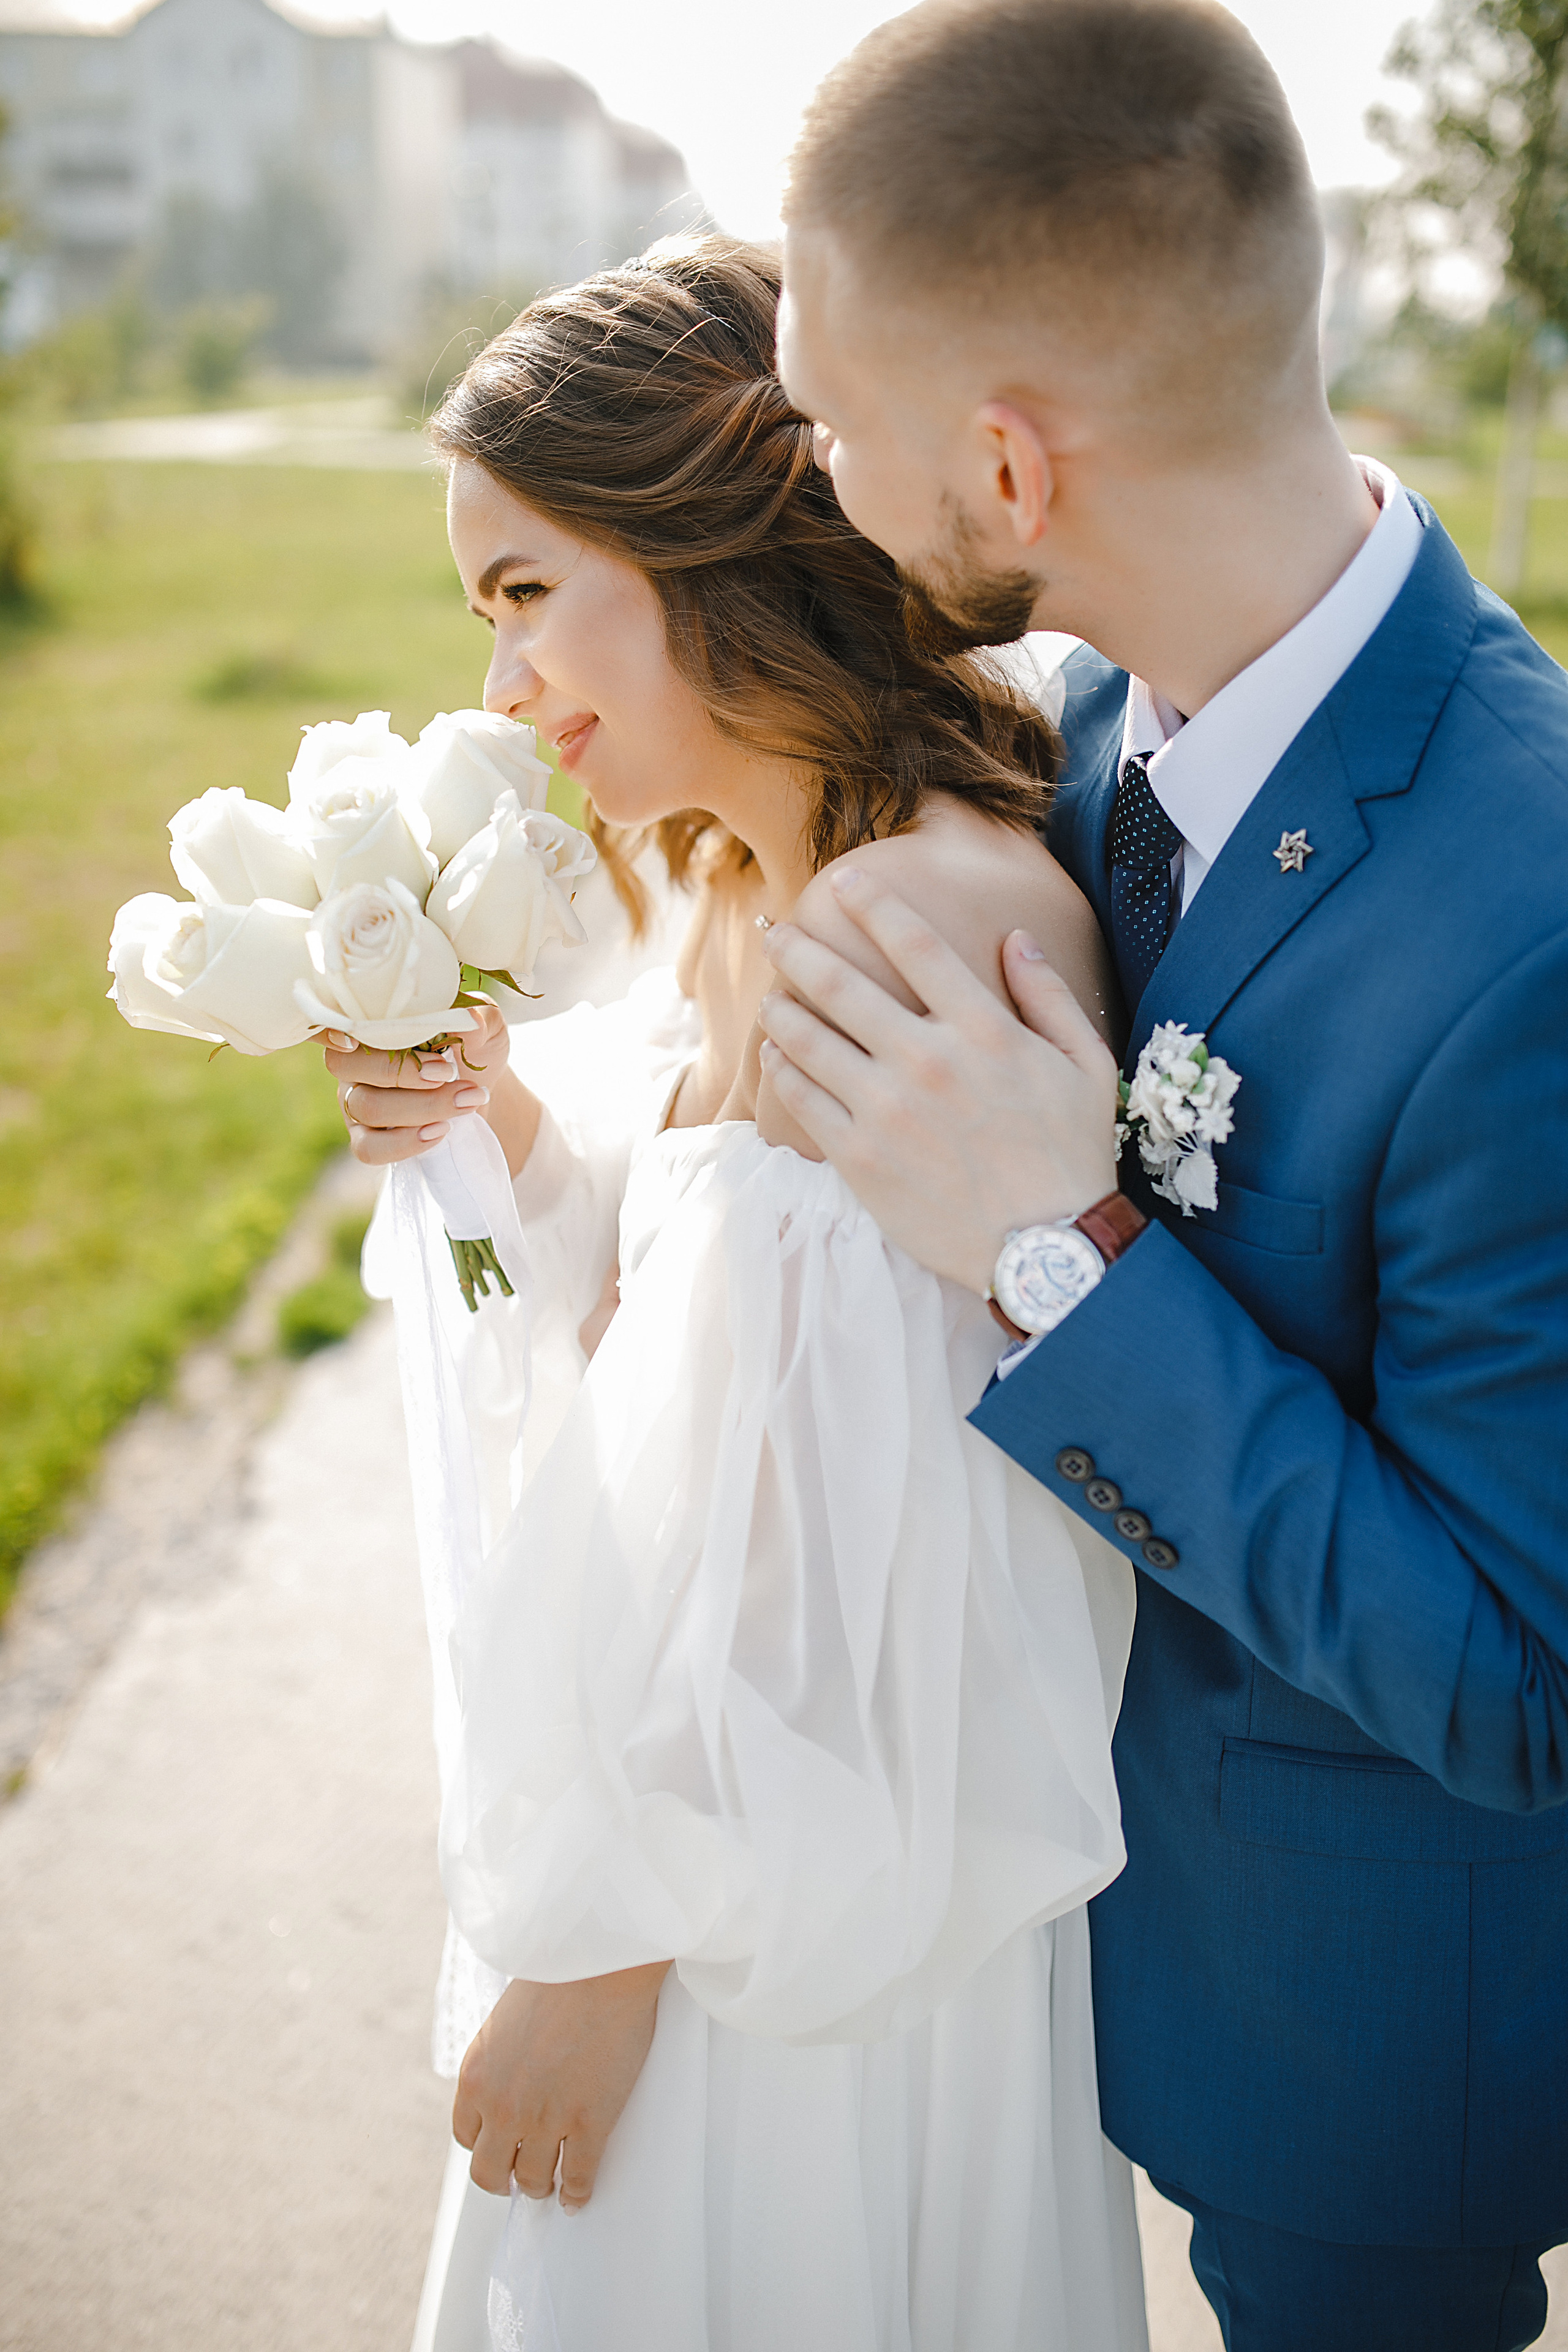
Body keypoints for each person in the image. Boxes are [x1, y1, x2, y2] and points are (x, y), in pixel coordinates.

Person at [746, 3, 1568, 2349]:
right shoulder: (1082, 732)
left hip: (1357, 2065)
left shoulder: (1539, 923)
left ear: (1005, 465)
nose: (815, 472)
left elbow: (1530, 1678)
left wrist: (1063, 1247)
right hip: (1049, 1937)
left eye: (825, 421)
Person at [328, 238, 1149, 2349]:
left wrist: (597, 1974)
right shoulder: (752, 890)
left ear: (713, 537)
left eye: (527, 592)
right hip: (713, 1876)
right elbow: (695, 1358)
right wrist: (496, 1124)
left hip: (782, 1956)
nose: (500, 686)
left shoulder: (913, 927)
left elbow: (882, 1576)